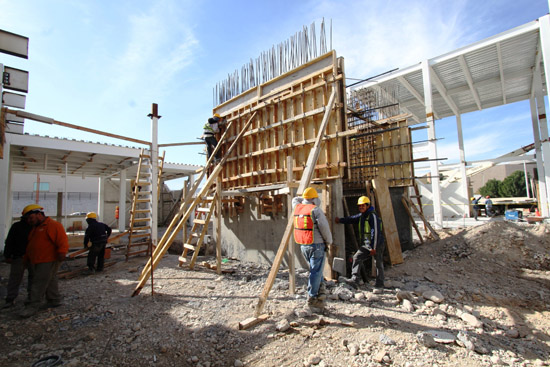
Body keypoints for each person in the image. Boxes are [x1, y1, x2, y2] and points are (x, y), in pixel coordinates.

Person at [19, 204, 68, 318]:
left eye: (31, 218)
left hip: (48, 259)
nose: (29, 221)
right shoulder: (35, 229)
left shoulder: (53, 225)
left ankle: (33, 305)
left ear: (39, 215)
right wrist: (26, 259)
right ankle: (54, 299)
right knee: (50, 279)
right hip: (38, 260)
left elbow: (62, 240)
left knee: (39, 282)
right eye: (28, 219)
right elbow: (31, 245)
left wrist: (62, 252)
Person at [292, 187, 333, 310]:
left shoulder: (297, 208)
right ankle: (312, 297)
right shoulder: (316, 210)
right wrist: (329, 241)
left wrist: (304, 198)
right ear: (315, 199)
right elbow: (324, 228)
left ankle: (320, 289)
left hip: (304, 245)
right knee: (315, 271)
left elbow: (295, 199)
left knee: (316, 269)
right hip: (317, 246)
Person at [335, 196, 385, 293]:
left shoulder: (372, 216)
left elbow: (376, 233)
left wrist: (373, 248)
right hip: (366, 245)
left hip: (376, 245)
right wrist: (340, 220)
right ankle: (355, 279)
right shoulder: (362, 215)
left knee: (378, 263)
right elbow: (352, 219)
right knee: (357, 257)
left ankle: (380, 284)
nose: (361, 207)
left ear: (367, 205)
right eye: (360, 206)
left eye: (363, 205)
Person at [2, 208, 33, 308]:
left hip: (33, 257)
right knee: (15, 279)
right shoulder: (17, 227)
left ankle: (31, 297)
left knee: (33, 277)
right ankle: (10, 298)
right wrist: (7, 255)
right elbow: (9, 241)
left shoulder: (36, 227)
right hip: (19, 257)